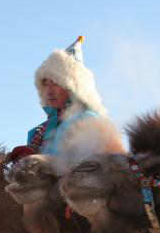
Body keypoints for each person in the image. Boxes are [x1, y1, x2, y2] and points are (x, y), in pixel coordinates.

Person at [9, 36, 125, 170]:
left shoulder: (89, 121)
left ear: (73, 87)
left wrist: (40, 162)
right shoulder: (38, 132)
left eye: (56, 83)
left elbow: (90, 169)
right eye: (45, 84)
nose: (49, 91)